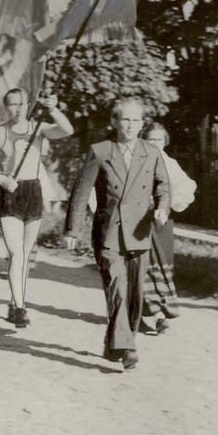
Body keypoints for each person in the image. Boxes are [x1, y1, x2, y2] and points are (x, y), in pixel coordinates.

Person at [64, 97, 170, 371]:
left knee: (134, 296)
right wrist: (72, 229)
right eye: (125, 119)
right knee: (117, 289)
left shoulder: (151, 152)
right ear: (114, 121)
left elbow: (163, 186)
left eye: (136, 120)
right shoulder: (100, 151)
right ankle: (129, 347)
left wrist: (162, 208)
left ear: (142, 124)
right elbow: (81, 192)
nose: (131, 125)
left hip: (140, 231)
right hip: (108, 231)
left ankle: (117, 343)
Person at [0, 86, 74, 329]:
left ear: (29, 105)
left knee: (26, 254)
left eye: (21, 103)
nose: (17, 108)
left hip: (33, 192)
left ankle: (15, 300)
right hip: (10, 193)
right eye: (12, 104)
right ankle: (19, 308)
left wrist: (52, 109)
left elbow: (67, 130)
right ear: (5, 107)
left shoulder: (39, 129)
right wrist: (1, 180)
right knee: (16, 253)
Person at [140, 122, 197, 334]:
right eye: (150, 139)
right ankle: (144, 313)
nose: (154, 143)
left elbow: (186, 188)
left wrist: (167, 205)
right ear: (143, 140)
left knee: (162, 265)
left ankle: (161, 314)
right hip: (138, 221)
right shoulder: (137, 160)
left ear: (165, 142)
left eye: (159, 139)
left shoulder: (170, 164)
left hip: (161, 221)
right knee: (142, 265)